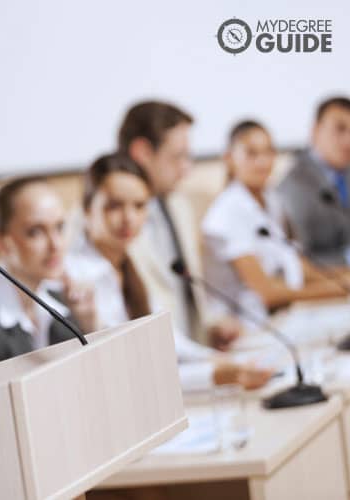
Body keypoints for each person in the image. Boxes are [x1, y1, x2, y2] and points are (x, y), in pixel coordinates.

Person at [66, 153, 273, 391]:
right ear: (87, 208)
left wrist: (223, 362)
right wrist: (217, 373)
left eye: (139, 206)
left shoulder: (129, 264)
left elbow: (169, 342)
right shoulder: (79, 277)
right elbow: (129, 374)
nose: (129, 218)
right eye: (114, 206)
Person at [120, 101, 243, 351]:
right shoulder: (108, 223)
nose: (186, 169)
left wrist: (209, 328)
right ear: (142, 152)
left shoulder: (178, 204)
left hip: (192, 361)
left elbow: (182, 292)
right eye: (178, 157)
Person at [202, 120, 349, 322]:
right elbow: (267, 294)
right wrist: (340, 289)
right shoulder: (225, 215)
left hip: (285, 317)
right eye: (251, 154)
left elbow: (299, 267)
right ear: (229, 158)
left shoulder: (271, 199)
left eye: (269, 152)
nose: (263, 162)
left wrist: (345, 277)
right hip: (249, 329)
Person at [0, 176, 96, 371]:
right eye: (35, 232)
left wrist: (89, 325)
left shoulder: (64, 301)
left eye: (59, 227)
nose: (56, 244)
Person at [276, 96, 350, 266]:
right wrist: (347, 259)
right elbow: (299, 259)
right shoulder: (294, 185)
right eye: (340, 129)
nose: (349, 141)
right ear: (315, 131)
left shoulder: (349, 173)